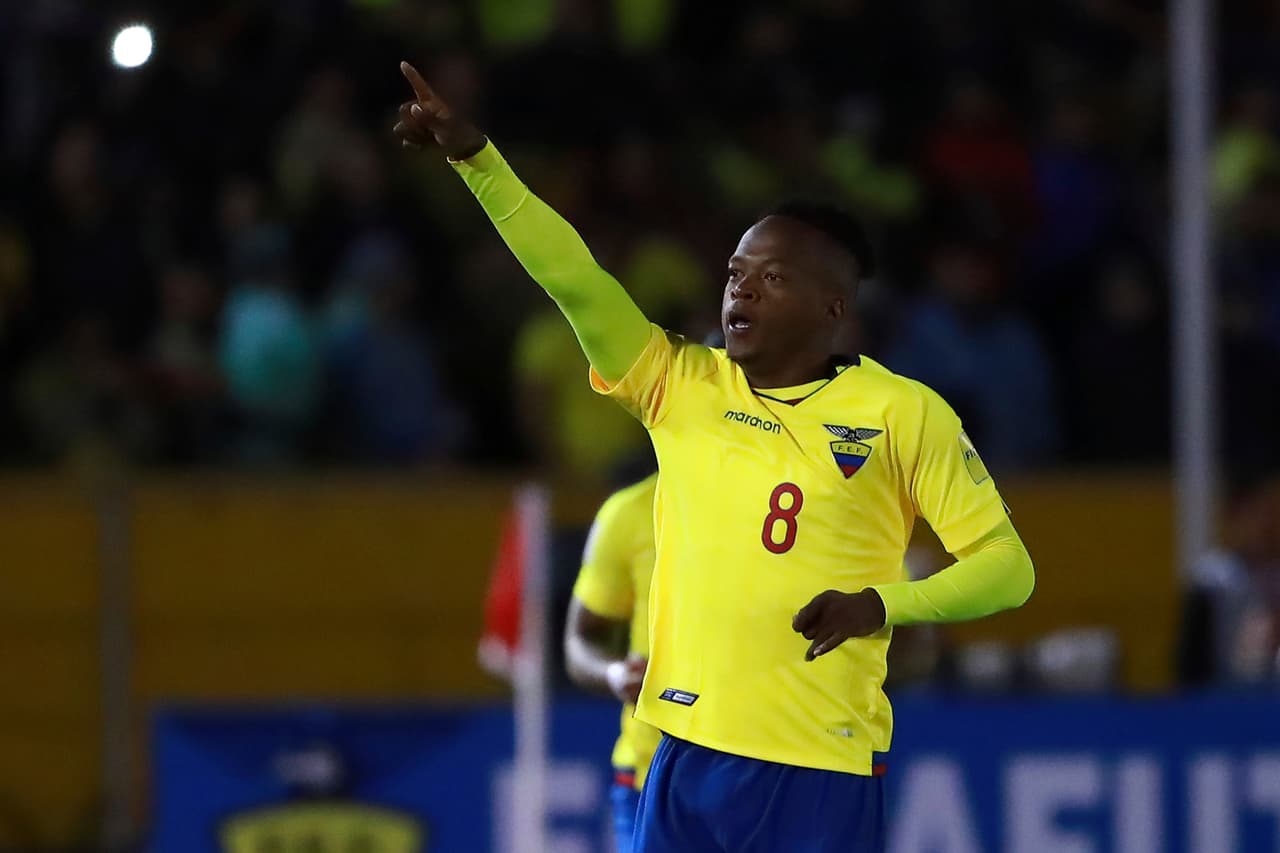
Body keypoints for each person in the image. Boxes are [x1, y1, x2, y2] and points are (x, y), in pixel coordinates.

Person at [394, 62, 1035, 853]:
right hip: (681, 748)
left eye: (771, 278)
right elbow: (576, 280)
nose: (742, 293)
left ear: (834, 307)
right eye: (735, 275)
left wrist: (882, 604)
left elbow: (1008, 568)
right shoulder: (680, 383)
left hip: (816, 760)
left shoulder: (902, 412)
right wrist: (478, 161)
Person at [564, 472, 661, 853]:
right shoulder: (631, 513)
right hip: (649, 772)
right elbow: (580, 640)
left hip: (768, 762)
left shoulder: (782, 504)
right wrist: (614, 673)